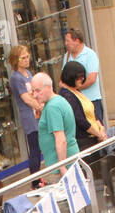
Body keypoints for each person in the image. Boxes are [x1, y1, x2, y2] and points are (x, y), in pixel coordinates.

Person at [31, 72, 77, 183]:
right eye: (33, 91)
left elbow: (61, 139)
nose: (34, 95)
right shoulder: (57, 101)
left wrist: (62, 167)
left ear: (49, 87)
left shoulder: (52, 107)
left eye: (38, 90)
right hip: (66, 162)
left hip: (61, 168)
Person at [9, 45, 43, 176]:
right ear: (16, 60)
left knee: (39, 148)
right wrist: (39, 106)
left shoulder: (28, 74)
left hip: (36, 112)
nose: (26, 60)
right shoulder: (16, 78)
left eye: (27, 57)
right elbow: (26, 99)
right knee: (34, 148)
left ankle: (39, 177)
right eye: (23, 58)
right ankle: (35, 180)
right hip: (29, 115)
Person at [58, 61, 106, 152]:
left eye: (83, 76)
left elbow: (92, 112)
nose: (82, 79)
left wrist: (101, 128)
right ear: (70, 77)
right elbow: (80, 120)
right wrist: (99, 134)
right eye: (79, 77)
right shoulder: (67, 95)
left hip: (92, 137)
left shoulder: (76, 91)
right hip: (83, 141)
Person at [62, 28, 103, 125]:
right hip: (75, 102)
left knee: (97, 128)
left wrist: (75, 88)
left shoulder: (90, 55)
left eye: (68, 40)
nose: (66, 43)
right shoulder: (67, 56)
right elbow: (62, 79)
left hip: (92, 100)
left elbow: (92, 78)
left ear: (77, 41)